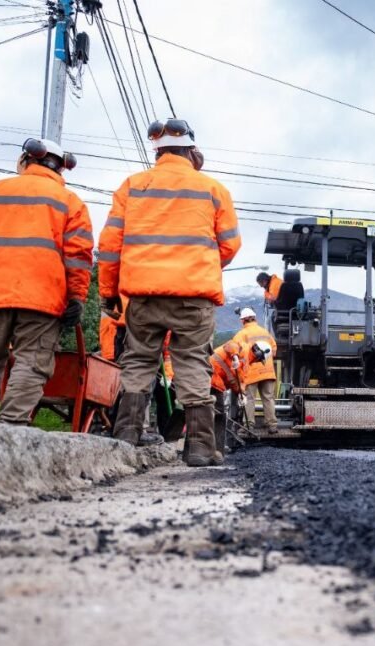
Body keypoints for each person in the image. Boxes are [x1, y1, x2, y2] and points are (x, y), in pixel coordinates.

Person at [98, 118, 241, 466]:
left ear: (158, 150)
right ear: (192, 150)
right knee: (192, 361)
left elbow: (109, 245)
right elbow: (230, 244)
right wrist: (198, 267)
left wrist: (109, 292)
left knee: (138, 360)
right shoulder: (212, 189)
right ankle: (201, 448)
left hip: (143, 294)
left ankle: (126, 435)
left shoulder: (133, 186)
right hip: (194, 295)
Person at [0, 138, 92, 424]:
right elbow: (79, 256)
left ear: (24, 160)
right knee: (32, 362)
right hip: (43, 300)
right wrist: (77, 297)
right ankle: (12, 427)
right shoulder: (70, 203)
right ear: (60, 170)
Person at [209, 340, 271, 462]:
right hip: (211, 375)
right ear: (258, 351)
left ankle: (217, 446)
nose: (258, 361)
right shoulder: (244, 348)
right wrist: (235, 356)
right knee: (217, 413)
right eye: (260, 358)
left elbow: (239, 380)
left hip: (216, 381)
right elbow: (229, 345)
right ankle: (213, 447)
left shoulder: (247, 363)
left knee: (219, 412)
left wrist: (242, 395)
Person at [232, 307, 278, 432]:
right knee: (268, 398)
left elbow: (235, 352)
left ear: (243, 321)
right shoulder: (265, 332)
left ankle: (249, 425)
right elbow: (273, 351)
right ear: (255, 319)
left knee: (249, 398)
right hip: (268, 371)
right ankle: (272, 425)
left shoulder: (241, 334)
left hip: (251, 372)